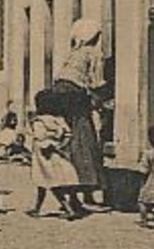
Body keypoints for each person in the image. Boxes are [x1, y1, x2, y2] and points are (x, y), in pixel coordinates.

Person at [53, 19, 108, 207]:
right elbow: (96, 82)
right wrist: (101, 103)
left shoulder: (74, 53)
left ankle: (73, 194)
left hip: (59, 93)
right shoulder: (93, 53)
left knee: (69, 142)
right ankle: (86, 192)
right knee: (85, 142)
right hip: (75, 96)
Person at [26, 88, 85, 219]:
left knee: (49, 183)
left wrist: (44, 143)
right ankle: (37, 208)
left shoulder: (39, 121)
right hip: (57, 153)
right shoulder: (59, 119)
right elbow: (68, 134)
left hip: (43, 157)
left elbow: (39, 137)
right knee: (45, 182)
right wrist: (60, 145)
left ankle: (69, 210)